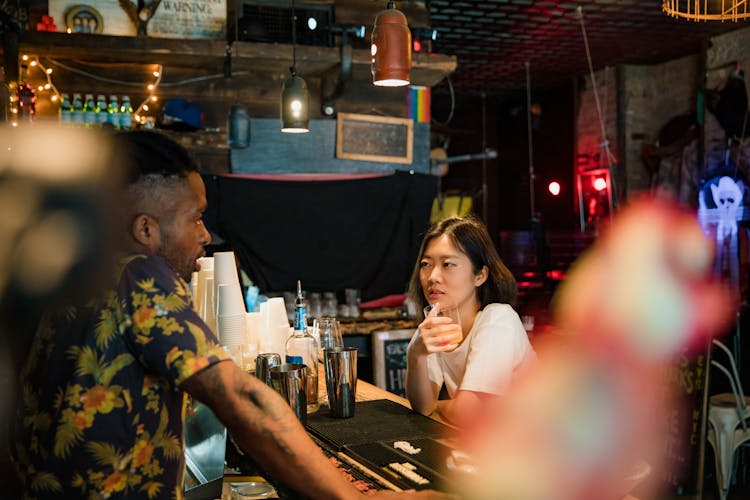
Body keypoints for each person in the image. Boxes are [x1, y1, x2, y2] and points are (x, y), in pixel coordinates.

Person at [11, 130, 447, 499]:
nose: (205, 236)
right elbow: (241, 399)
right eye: (195, 218)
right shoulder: (140, 274)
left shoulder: (72, 276)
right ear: (146, 229)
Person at [405, 216, 536, 426]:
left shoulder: (498, 320)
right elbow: (422, 407)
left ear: (480, 276)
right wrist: (415, 354)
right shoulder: (438, 324)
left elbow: (468, 413)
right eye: (426, 264)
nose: (433, 276)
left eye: (448, 264)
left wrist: (442, 405)